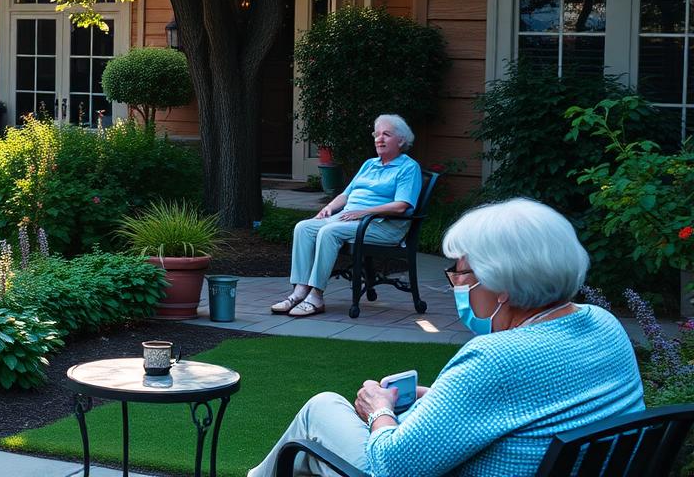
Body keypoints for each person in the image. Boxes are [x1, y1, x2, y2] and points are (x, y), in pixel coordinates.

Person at [247, 198, 644, 477]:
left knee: (323, 407)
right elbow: (538, 400)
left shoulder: (494, 357)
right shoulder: (604, 324)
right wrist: (441, 396)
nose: (457, 284)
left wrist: (379, 411)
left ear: (500, 286)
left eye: (462, 274)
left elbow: (391, 468)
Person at [271, 114, 422, 317]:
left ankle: (316, 296)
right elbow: (346, 194)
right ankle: (299, 291)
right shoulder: (370, 164)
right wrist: (328, 209)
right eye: (377, 134)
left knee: (329, 232)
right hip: (351, 219)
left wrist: (363, 212)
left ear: (401, 140)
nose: (379, 139)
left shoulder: (408, 168)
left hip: (382, 226)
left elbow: (401, 206)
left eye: (386, 134)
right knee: (304, 227)